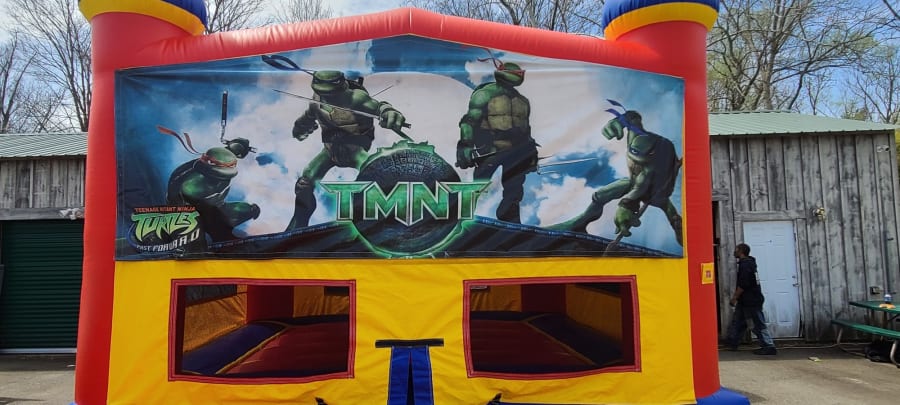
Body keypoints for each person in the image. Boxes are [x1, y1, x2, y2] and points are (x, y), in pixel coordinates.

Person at [286, 70, 407, 230]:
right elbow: (308, 117)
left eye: (332, 94)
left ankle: (388, 221)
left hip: (355, 151)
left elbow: (379, 107)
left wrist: (389, 112)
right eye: (323, 94)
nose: (328, 98)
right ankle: (299, 222)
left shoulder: (356, 99)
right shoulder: (315, 102)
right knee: (304, 183)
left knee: (376, 177)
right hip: (330, 151)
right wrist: (300, 128)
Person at [550, 109, 682, 245]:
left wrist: (626, 205)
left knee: (665, 205)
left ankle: (678, 227)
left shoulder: (653, 166)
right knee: (601, 195)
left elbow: (640, 187)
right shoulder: (636, 136)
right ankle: (580, 222)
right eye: (634, 153)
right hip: (633, 182)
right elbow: (633, 118)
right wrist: (620, 121)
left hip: (655, 191)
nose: (635, 159)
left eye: (640, 158)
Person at [456, 59, 538, 224]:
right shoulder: (485, 94)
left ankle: (510, 219)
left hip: (516, 151)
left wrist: (531, 153)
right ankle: (462, 218)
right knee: (478, 185)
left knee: (514, 189)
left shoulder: (522, 102)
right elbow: (469, 122)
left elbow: (525, 129)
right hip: (489, 149)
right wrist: (465, 146)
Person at [722, 243, 777, 355]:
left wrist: (734, 298)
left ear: (741, 251)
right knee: (738, 321)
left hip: (751, 300)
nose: (734, 252)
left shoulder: (746, 265)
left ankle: (768, 346)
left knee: (757, 323)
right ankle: (733, 342)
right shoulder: (748, 263)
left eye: (736, 250)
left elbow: (744, 284)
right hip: (745, 300)